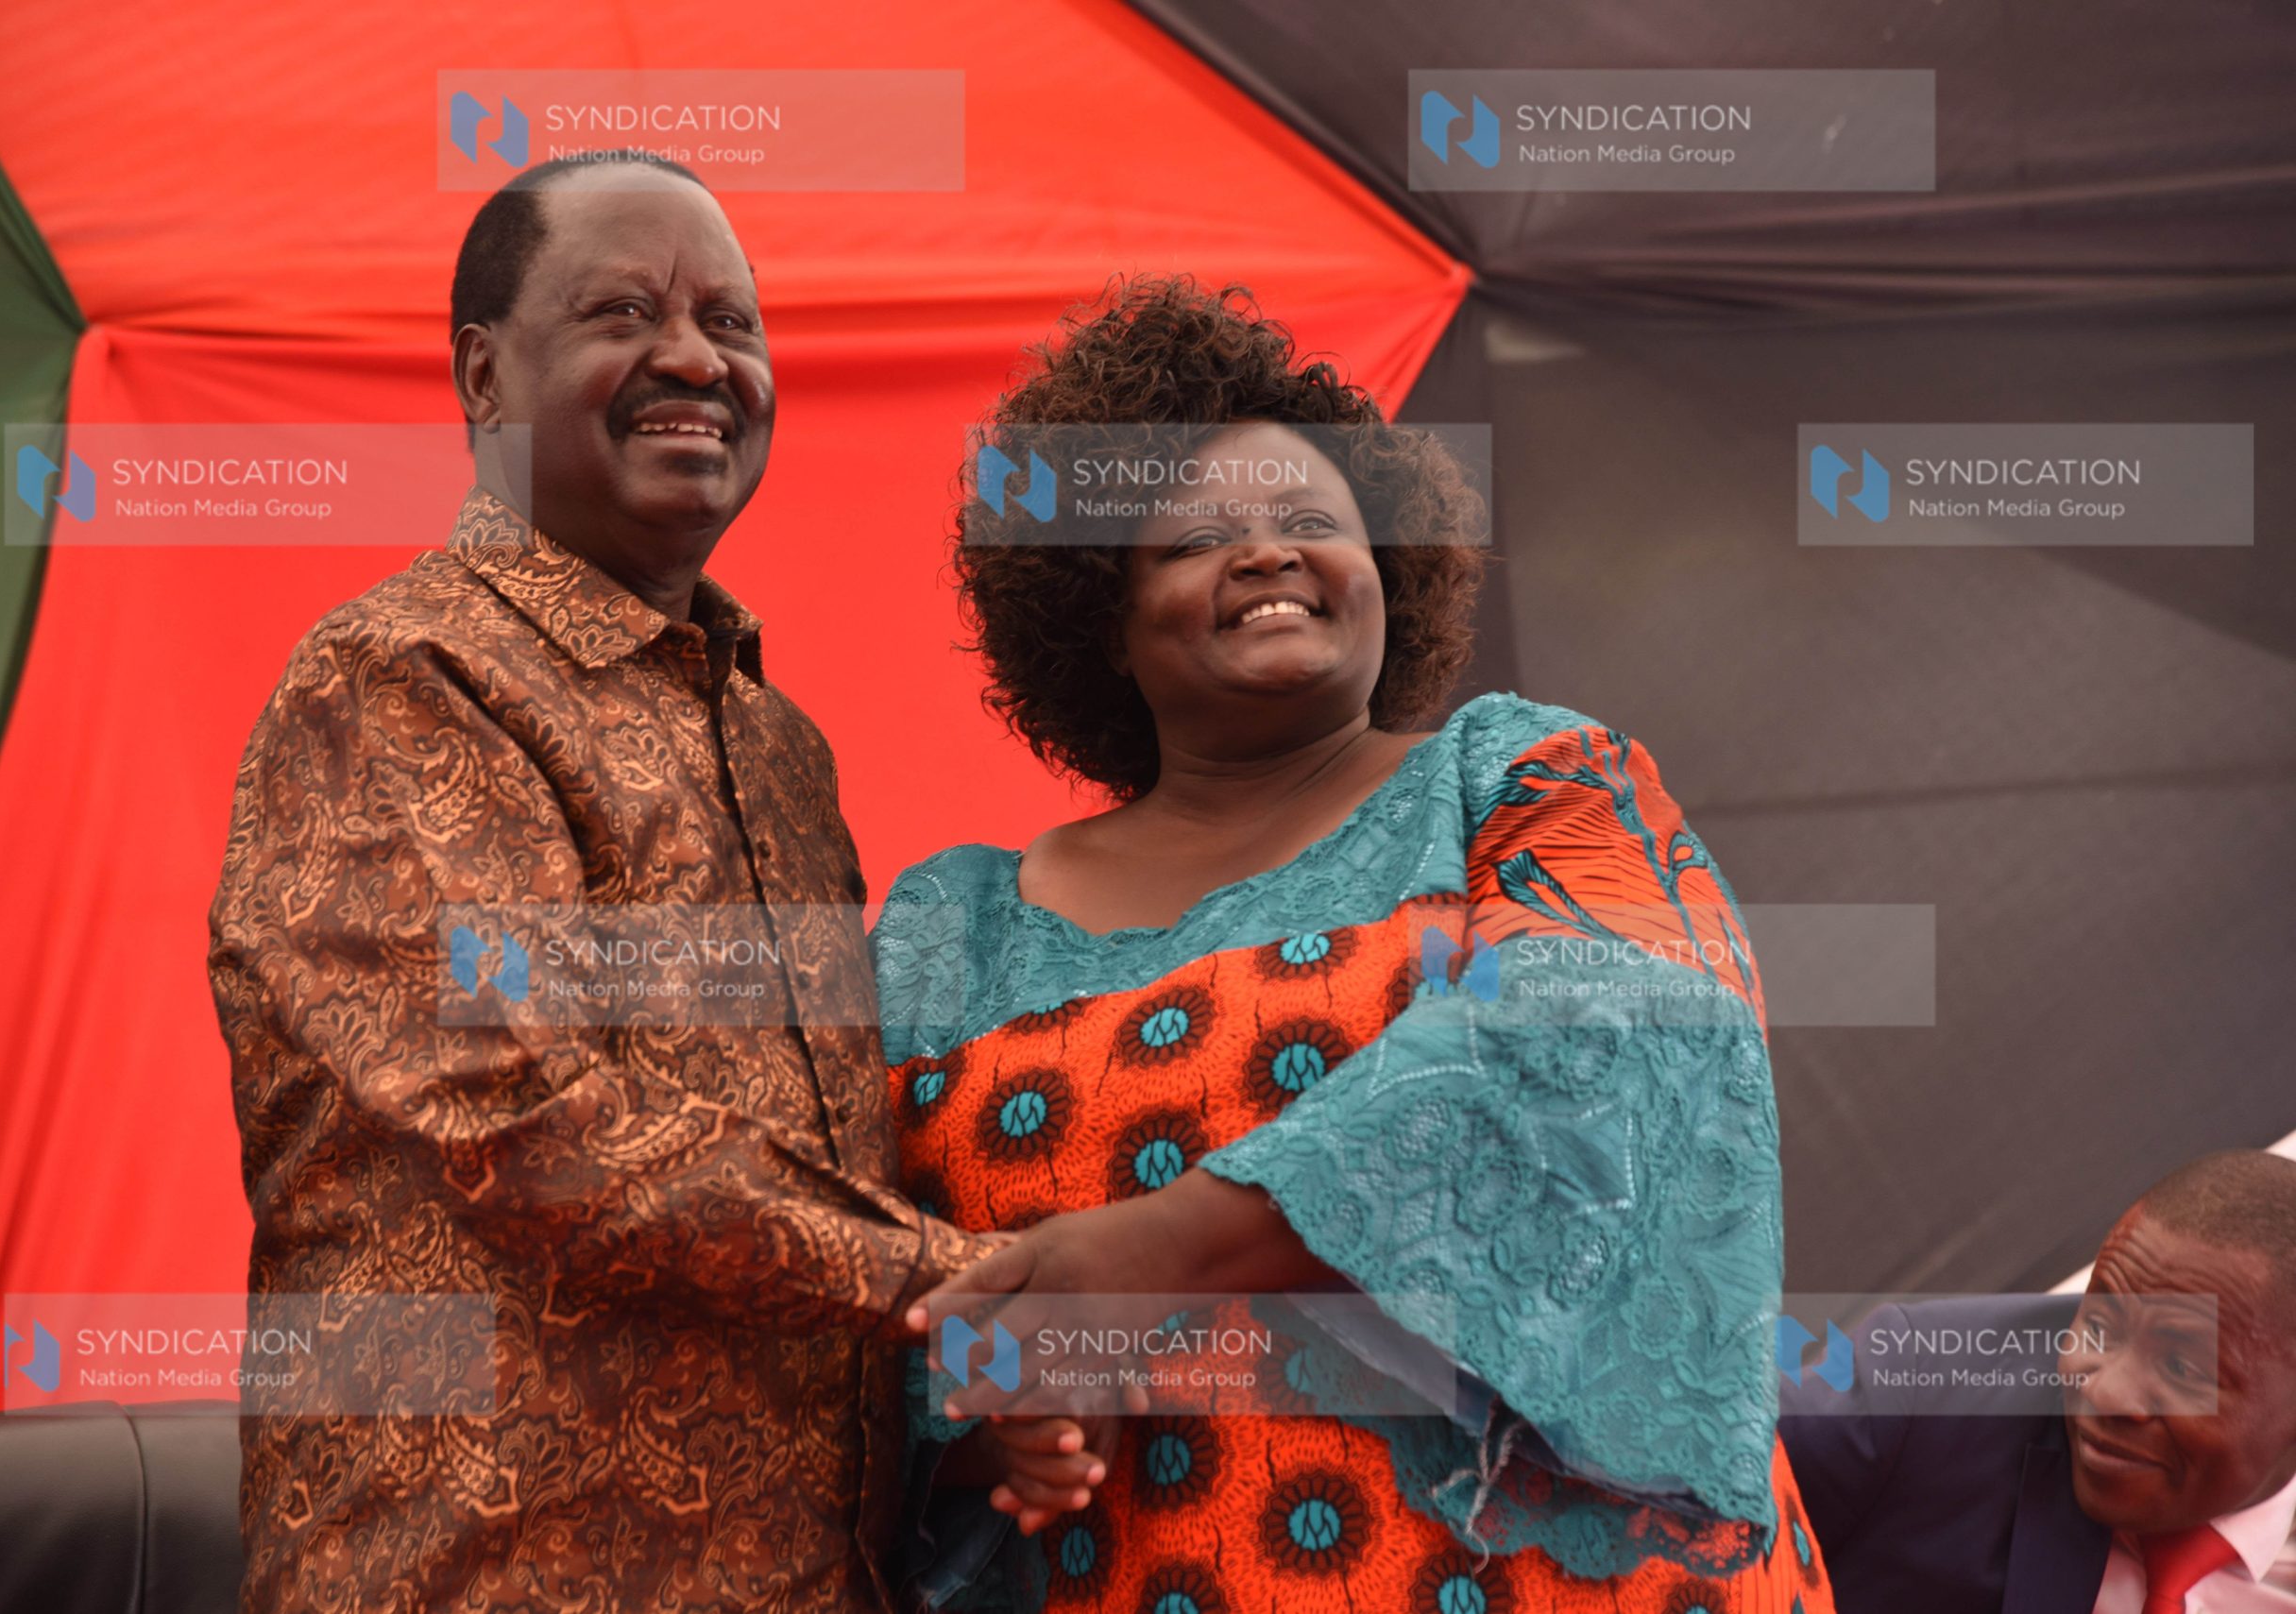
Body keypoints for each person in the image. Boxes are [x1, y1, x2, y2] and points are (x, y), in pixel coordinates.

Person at [874, 276, 1832, 1611]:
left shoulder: (1528, 778)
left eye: (1313, 519)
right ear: (1099, 610)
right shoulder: (950, 924)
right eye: (1196, 536)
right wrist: (997, 1415)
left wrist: (1159, 1252)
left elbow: (1619, 1030)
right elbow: (861, 1277)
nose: (1268, 552)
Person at [208, 151, 994, 1612]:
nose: (696, 356)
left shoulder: (780, 747)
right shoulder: (399, 677)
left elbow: (836, 1153)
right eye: (623, 311)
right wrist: (954, 1281)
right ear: (485, 373)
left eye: (734, 322)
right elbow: (513, 1113)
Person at [1781, 1150, 2296, 1614]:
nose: (2104, 1392)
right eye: (2097, 1328)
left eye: (2181, 1368)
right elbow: (1712, 1475)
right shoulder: (1929, 1385)